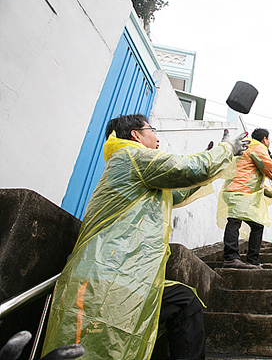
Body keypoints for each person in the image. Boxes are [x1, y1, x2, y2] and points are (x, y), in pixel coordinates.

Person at [41, 114, 249, 360]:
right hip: (106, 274)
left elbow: (180, 190)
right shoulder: (131, 156)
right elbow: (191, 169)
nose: (157, 138)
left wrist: (218, 157)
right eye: (152, 130)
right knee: (93, 349)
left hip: (132, 276)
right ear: (135, 135)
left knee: (184, 301)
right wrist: (225, 150)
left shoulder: (143, 169)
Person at [218, 128, 272, 269]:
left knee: (254, 225)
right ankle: (231, 258)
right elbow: (270, 167)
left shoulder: (247, 148)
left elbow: (254, 180)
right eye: (269, 140)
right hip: (240, 190)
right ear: (264, 139)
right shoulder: (257, 147)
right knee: (235, 221)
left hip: (237, 189)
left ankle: (251, 260)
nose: (269, 143)